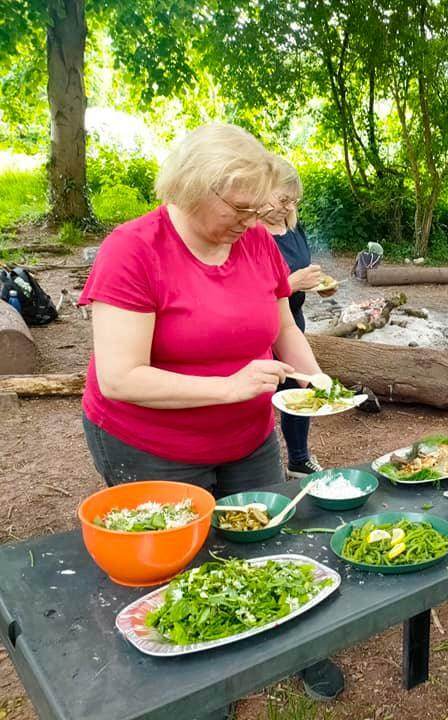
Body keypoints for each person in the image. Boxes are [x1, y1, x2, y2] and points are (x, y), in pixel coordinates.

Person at [77, 124, 344, 710]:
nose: (252, 221)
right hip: (150, 443)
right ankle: (201, 681)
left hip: (246, 435)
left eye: (259, 209)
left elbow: (284, 328)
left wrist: (319, 381)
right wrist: (226, 388)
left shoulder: (256, 243)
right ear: (193, 188)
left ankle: (297, 645)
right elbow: (121, 376)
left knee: (272, 537)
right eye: (241, 208)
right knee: (182, 562)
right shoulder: (133, 249)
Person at [261, 156, 336, 478]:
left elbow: (299, 269)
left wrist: (318, 284)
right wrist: (291, 284)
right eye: (283, 199)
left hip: (291, 321)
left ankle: (299, 457)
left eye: (293, 200)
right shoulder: (247, 234)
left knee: (299, 389)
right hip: (261, 327)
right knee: (265, 391)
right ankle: (260, 460)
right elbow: (253, 291)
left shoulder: (293, 225)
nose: (288, 206)